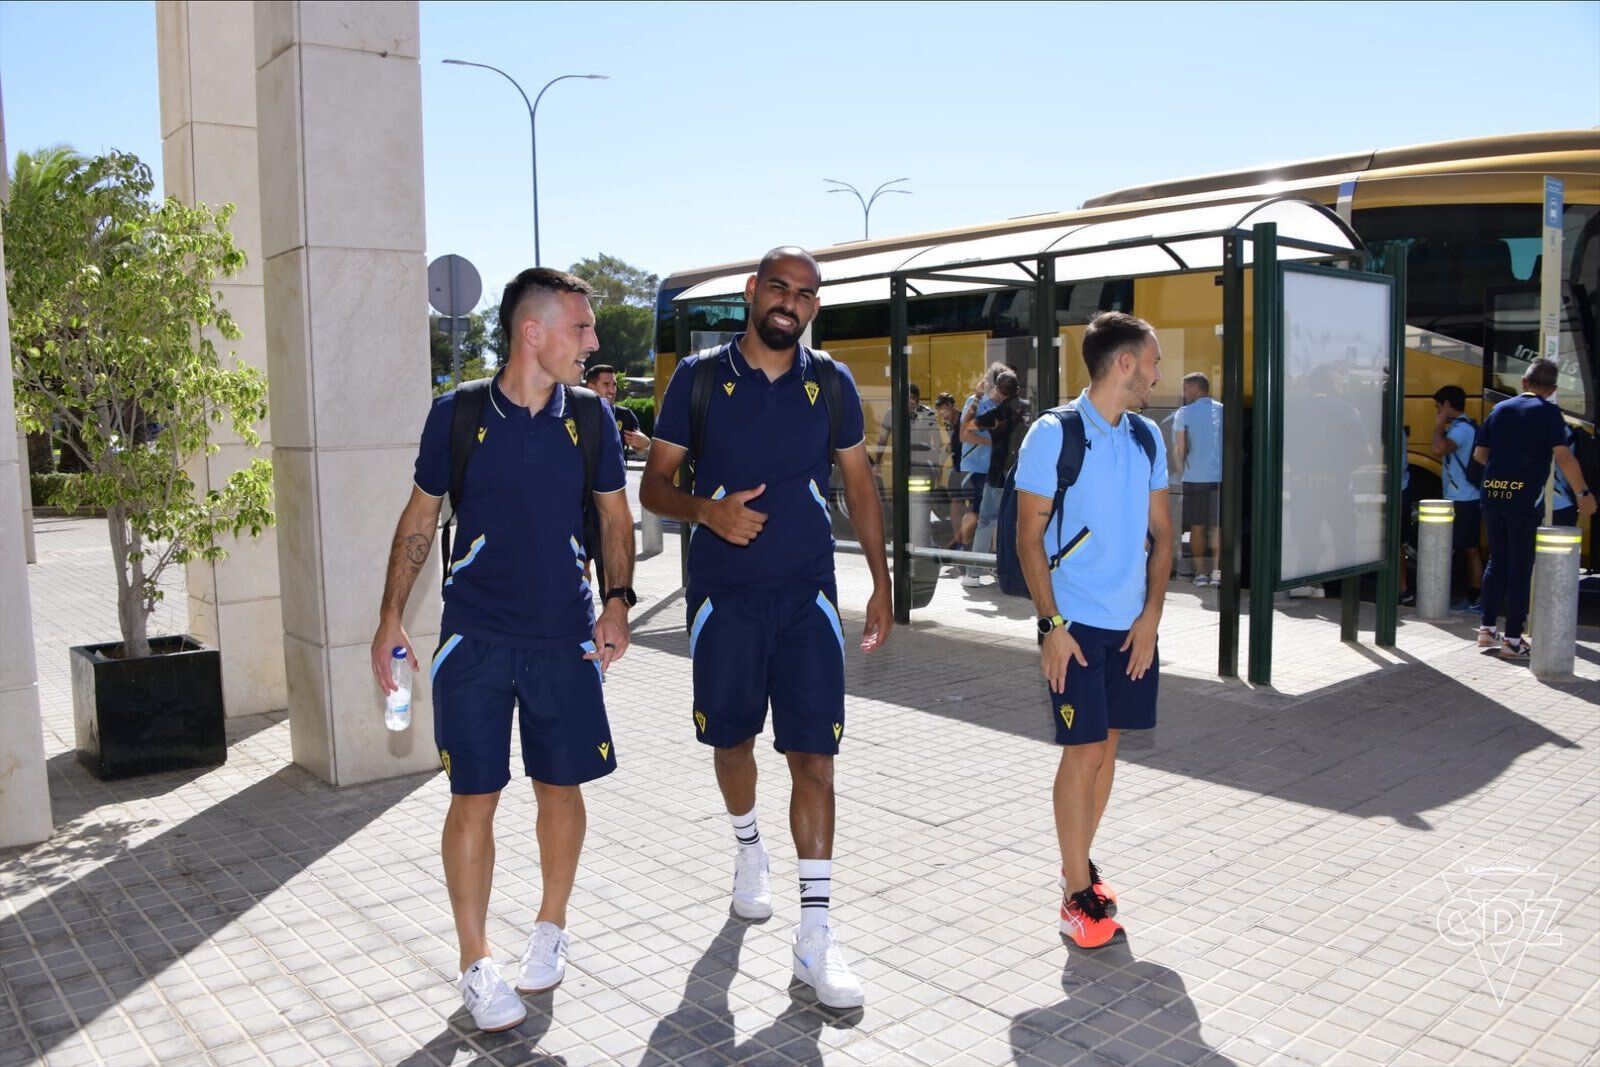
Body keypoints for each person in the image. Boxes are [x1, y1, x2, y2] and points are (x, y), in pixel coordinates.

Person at [370, 268, 635, 1033]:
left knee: (561, 787)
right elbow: (421, 518)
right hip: (476, 640)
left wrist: (616, 602)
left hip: (564, 639)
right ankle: (476, 962)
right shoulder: (456, 416)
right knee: (472, 799)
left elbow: (615, 522)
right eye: (581, 329)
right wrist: (391, 617)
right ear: (534, 332)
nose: (591, 344)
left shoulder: (590, 419)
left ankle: (549, 926)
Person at [639, 246, 893, 1010]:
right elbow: (655, 482)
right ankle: (749, 847)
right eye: (779, 288)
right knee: (732, 744)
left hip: (807, 597)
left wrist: (882, 582)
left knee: (815, 758)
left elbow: (859, 483)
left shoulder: (832, 382)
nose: (791, 302)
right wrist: (707, 510)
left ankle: (815, 936)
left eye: (806, 294)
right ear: (752, 293)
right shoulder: (699, 379)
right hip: (725, 598)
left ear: (816, 306)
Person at [1014, 311, 1170, 950]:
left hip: (1129, 626)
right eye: (1153, 361)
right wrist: (1050, 625)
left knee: (1107, 748)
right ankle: (1076, 892)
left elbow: (1162, 536)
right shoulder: (1053, 434)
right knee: (1082, 751)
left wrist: (1152, 618)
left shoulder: (1147, 438)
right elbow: (1028, 538)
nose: (1158, 374)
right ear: (1124, 362)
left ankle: (1078, 867)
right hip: (1073, 625)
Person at [1472, 358, 1595, 659]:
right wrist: (1583, 493)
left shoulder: (1499, 409)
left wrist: (1504, 471)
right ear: (1552, 389)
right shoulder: (1549, 413)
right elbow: (1564, 457)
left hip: (1491, 494)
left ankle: (1487, 630)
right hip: (1523, 498)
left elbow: (1479, 455)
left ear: (1524, 383)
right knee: (1520, 565)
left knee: (1496, 561)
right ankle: (1513, 639)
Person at [966, 370, 1029, 587]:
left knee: (986, 520)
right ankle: (1010, 570)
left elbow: (970, 425)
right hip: (1022, 476)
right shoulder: (1028, 408)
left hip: (998, 474)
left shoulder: (999, 411)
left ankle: (973, 572)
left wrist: (976, 398)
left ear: (998, 390)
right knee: (1014, 523)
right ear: (1017, 389)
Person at [1431, 385, 1483, 610]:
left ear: (1448, 405)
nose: (1437, 411)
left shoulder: (1461, 430)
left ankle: (1475, 600)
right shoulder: (1467, 427)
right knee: (1466, 547)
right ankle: (1474, 598)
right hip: (1464, 496)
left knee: (1470, 549)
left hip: (1464, 498)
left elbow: (1438, 448)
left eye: (1438, 407)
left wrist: (1439, 423)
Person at [957, 363, 1009, 580]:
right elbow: (964, 435)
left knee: (991, 516)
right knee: (982, 515)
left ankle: (982, 562)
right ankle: (965, 557)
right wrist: (993, 443)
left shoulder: (1006, 407)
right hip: (977, 467)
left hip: (995, 467)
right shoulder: (976, 402)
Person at [1171, 372, 1223, 588]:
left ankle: (1201, 573)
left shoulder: (1184, 413)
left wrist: (1182, 470)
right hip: (1221, 476)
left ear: (1194, 389)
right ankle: (1217, 573)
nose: (1183, 394)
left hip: (1195, 478)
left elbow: (1180, 449)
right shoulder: (1223, 410)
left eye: (1185, 389)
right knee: (1218, 527)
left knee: (1197, 526)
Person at [870, 383, 943, 475]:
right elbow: (882, 440)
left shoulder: (928, 414)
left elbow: (937, 440)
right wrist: (877, 463)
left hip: (923, 464)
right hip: (901, 463)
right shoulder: (891, 414)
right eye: (907, 399)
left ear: (918, 400)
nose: (910, 403)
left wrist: (938, 464)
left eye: (913, 399)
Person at [585, 363, 652, 453]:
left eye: (614, 384)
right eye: (606, 384)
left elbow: (640, 449)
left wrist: (646, 443)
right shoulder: (577, 414)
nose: (612, 390)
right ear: (591, 387)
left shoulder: (624, 415)